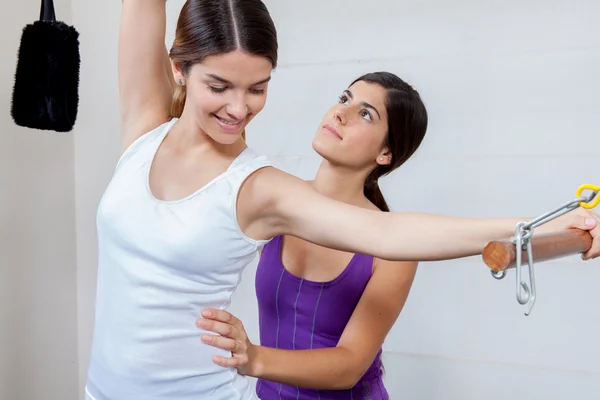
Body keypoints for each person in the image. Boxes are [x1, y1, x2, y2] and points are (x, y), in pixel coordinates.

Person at [84, 1, 600, 399]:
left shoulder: (256, 187)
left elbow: (389, 235)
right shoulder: (144, 128)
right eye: (220, 86)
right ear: (180, 70)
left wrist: (542, 223)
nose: (239, 109)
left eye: (258, 89)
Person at [197, 71, 423, 400]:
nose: (339, 112)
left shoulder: (391, 246)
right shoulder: (278, 201)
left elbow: (350, 365)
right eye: (344, 98)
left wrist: (255, 357)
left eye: (364, 113)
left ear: (385, 154)